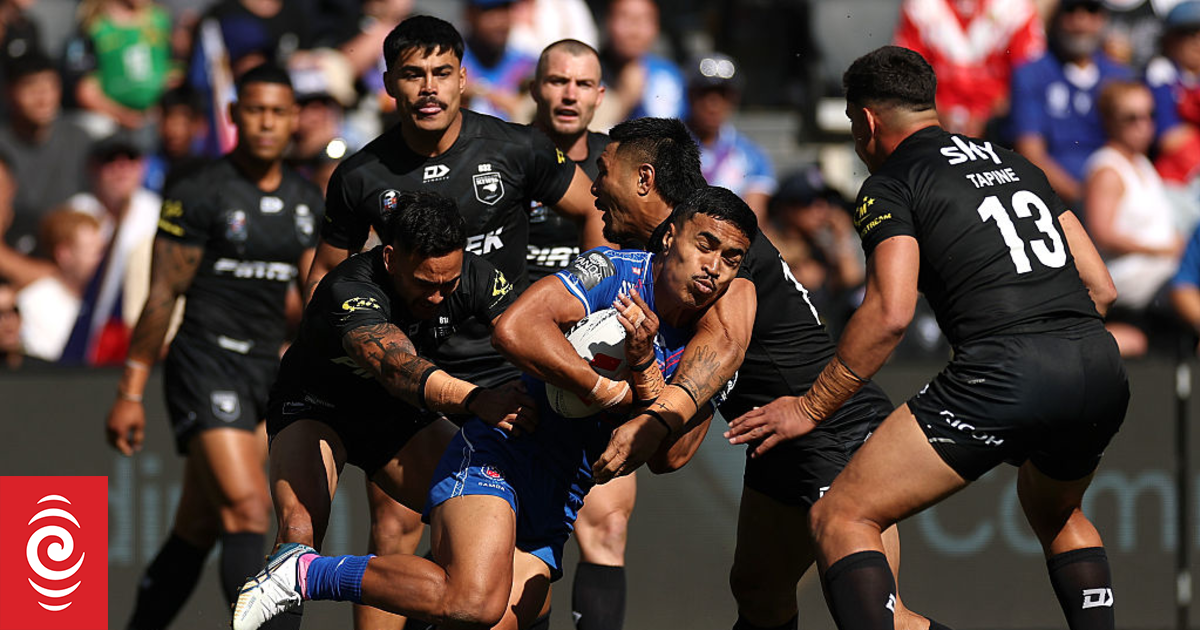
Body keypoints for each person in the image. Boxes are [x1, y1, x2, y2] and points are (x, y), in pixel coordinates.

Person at [726, 46, 1128, 630]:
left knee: (841, 517)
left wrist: (810, 407)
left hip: (1005, 372)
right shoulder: (1016, 162)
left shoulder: (890, 183)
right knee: (1058, 512)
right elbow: (1103, 288)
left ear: (867, 121)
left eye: (852, 124)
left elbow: (890, 314)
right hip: (1099, 364)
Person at [232, 185, 754, 630]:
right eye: (705, 245)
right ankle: (302, 572)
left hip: (556, 488)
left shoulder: (715, 346)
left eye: (731, 259)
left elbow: (669, 456)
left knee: (489, 614)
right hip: (340, 410)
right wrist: (601, 390)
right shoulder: (613, 273)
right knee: (462, 593)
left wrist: (642, 370)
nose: (714, 267)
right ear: (669, 236)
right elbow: (502, 334)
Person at [305, 19, 605, 630]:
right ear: (388, 83)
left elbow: (596, 209)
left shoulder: (516, 147)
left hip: (508, 378)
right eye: (413, 74)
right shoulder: (361, 175)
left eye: (441, 73)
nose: (429, 88)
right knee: (394, 528)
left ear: (464, 79)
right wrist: (342, 358)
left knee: (514, 573)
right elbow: (325, 281)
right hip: (410, 380)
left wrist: (587, 303)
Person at [586, 117, 936, 630]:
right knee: (759, 595)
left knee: (876, 620)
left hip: (834, 428)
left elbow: (725, 347)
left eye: (602, 171)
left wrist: (654, 419)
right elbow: (673, 454)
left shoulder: (718, 239)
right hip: (775, 438)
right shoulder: (662, 258)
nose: (594, 187)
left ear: (643, 179)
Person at [232, 188, 536, 630]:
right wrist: (476, 400)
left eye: (448, 284)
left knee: (490, 532)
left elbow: (534, 335)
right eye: (424, 284)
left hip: (393, 415)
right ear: (391, 258)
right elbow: (397, 368)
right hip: (316, 407)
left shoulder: (475, 276)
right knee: (298, 536)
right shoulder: (349, 287)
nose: (438, 297)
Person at [103, 63, 325, 630]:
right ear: (232, 116)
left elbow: (315, 298)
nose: (266, 123)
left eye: (278, 112)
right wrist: (130, 391)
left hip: (265, 371)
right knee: (248, 509)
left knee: (197, 526)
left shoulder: (306, 199)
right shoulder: (199, 190)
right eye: (255, 110)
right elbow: (162, 294)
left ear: (294, 119)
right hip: (205, 363)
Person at [528, 38, 631, 630]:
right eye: (556, 81)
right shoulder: (502, 159)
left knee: (607, 527)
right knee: (498, 542)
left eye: (582, 84)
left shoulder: (619, 169)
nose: (569, 94)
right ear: (535, 88)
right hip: (506, 365)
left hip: (597, 368)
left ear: (599, 95)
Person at [1084, 80, 1182, 357]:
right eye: (1132, 118)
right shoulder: (1107, 170)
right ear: (1109, 121)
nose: (1144, 125)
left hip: (1161, 271)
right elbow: (1102, 234)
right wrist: (1159, 249)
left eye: (1150, 115)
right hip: (1133, 277)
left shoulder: (1142, 162)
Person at [1011, 0, 1132, 206]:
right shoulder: (1031, 74)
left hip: (1115, 193)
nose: (1081, 22)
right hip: (1058, 198)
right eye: (1070, 11)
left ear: (1103, 19)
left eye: (1091, 11)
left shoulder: (1119, 76)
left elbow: (1134, 143)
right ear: (1056, 18)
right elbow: (1030, 153)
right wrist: (1080, 197)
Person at [892, 0, 1044, 137]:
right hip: (935, 120)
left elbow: (1031, 76)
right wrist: (936, 112)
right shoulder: (920, 6)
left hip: (997, 125)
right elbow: (907, 71)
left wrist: (987, 116)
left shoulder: (1016, 7)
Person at [0, 51, 93, 255]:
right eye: (31, 88)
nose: (43, 98)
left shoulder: (79, 139)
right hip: (15, 249)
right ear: (9, 92)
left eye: (50, 87)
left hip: (70, 248)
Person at [683, 52, 776, 222]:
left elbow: (753, 221)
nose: (713, 103)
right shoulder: (665, 146)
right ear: (689, 95)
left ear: (734, 99)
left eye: (723, 94)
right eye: (703, 93)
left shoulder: (752, 157)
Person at [17, 209, 106, 361]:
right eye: (94, 252)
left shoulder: (105, 299)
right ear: (64, 254)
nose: (102, 260)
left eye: (103, 251)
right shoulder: (33, 303)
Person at [597, 0, 686, 126]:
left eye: (644, 20)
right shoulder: (589, 73)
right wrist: (625, 98)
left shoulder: (667, 76)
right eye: (625, 18)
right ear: (607, 21)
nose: (634, 32)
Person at [461, 0, 536, 121]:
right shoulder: (452, 59)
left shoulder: (526, 65)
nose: (500, 21)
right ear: (470, 15)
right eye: (490, 12)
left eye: (505, 9)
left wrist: (479, 91)